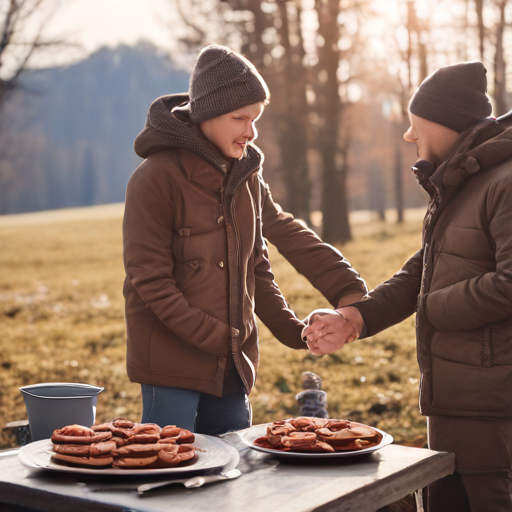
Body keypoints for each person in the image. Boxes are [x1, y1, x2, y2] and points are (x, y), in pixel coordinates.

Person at [123, 44, 366, 437]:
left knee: (232, 472)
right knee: (171, 476)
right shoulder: (154, 179)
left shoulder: (246, 176)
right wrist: (221, 336)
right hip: (171, 367)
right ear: (207, 114)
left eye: (255, 120)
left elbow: (261, 260)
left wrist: (300, 325)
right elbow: (148, 281)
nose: (251, 132)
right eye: (240, 118)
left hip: (232, 366)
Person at [303, 61, 512, 512]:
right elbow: (426, 268)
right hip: (453, 401)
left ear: (447, 122)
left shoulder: (505, 184)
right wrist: (354, 317)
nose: (408, 136)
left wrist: (431, 307)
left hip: (493, 409)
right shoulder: (463, 184)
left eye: (417, 125)